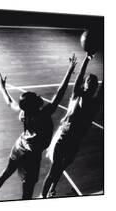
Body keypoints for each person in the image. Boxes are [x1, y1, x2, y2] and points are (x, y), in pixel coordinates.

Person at [0, 54, 78, 201]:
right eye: (35, 96)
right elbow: (60, 92)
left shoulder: (24, 113)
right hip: (31, 157)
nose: (37, 95)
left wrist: (2, 87)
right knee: (27, 190)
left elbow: (10, 102)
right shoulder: (44, 114)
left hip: (20, 146)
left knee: (7, 171)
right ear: (35, 105)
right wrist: (70, 69)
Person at [42, 53, 104, 198]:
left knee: (61, 168)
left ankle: (51, 189)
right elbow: (80, 75)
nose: (91, 82)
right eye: (89, 80)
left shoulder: (95, 103)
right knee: (54, 170)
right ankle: (42, 197)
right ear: (85, 83)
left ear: (96, 87)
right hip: (63, 137)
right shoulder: (77, 94)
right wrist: (87, 59)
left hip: (75, 141)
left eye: (94, 82)